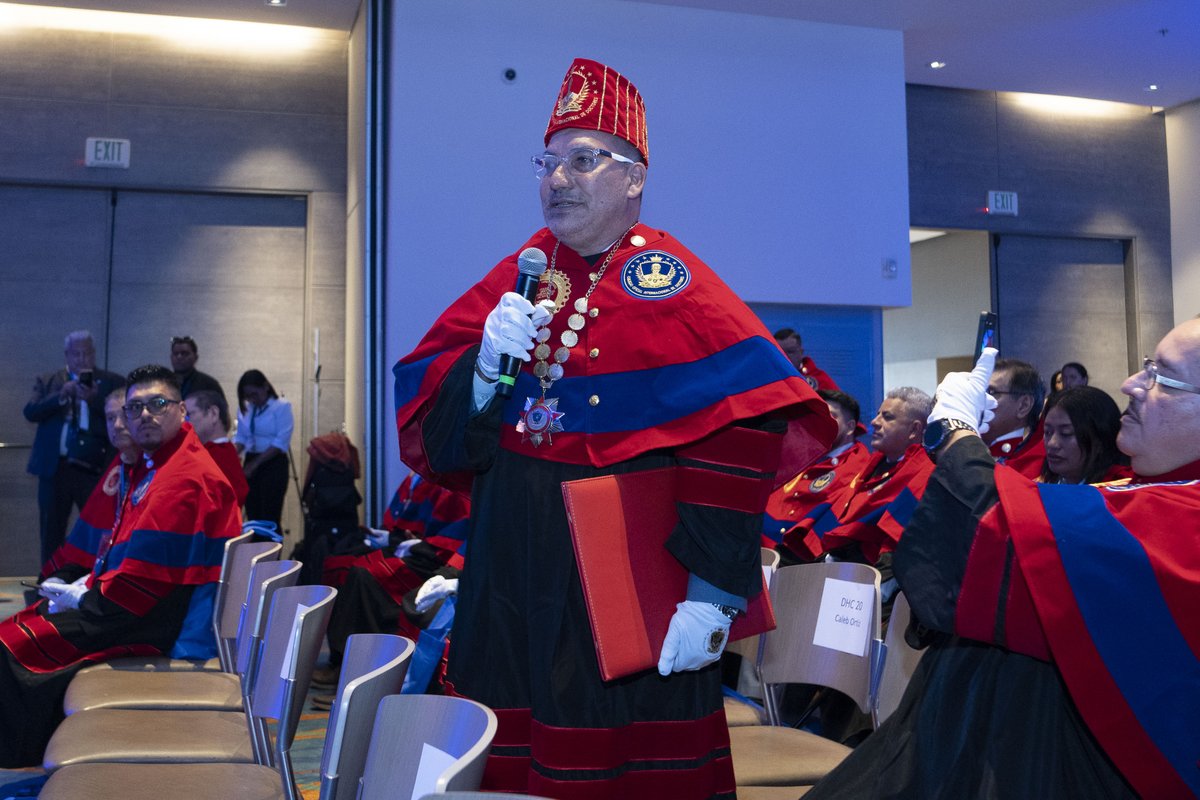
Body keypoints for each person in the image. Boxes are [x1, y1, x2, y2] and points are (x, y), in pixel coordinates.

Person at [391, 57, 834, 799]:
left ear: (634, 178)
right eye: (549, 161)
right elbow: (445, 438)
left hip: (619, 590)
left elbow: (743, 426)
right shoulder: (518, 271)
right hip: (509, 569)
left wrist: (713, 593)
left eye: (584, 160)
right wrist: (484, 365)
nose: (558, 179)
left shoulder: (670, 279)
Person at [805, 318, 1200, 799]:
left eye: (1162, 376)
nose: (1131, 385)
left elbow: (1016, 543)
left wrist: (954, 436)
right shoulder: (1153, 486)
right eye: (1145, 367)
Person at [0, 364, 242, 767]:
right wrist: (87, 589)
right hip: (141, 602)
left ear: (181, 411)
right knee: (26, 622)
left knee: (10, 644)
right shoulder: (161, 463)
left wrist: (87, 599)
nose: (143, 415)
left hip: (152, 619)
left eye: (157, 404)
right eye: (135, 408)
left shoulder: (183, 478)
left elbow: (140, 586)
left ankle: (25, 752)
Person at [783, 387, 934, 566]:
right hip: (830, 562)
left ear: (914, 429)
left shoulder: (924, 474)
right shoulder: (872, 466)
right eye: (878, 414)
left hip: (870, 573)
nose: (875, 422)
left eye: (887, 417)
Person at [23, 330, 125, 566]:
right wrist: (62, 395)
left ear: (94, 354)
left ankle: (93, 581)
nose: (81, 359)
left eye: (86, 353)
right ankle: (48, 584)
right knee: (51, 532)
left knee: (99, 527)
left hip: (95, 470)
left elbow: (123, 417)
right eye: (75, 354)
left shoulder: (112, 382)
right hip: (55, 469)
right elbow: (31, 412)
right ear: (66, 355)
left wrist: (95, 400)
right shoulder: (49, 380)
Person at [39, 388, 139, 579]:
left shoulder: (152, 466)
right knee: (48, 584)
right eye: (110, 418)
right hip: (100, 560)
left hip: (131, 570)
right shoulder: (119, 464)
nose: (117, 425)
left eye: (124, 416)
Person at [763, 389, 870, 550]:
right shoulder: (800, 456)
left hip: (805, 556)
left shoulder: (859, 467)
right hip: (764, 547)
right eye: (820, 415)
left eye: (832, 415)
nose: (824, 421)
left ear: (850, 427)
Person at [233, 369, 293, 530]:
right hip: (251, 459)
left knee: (270, 515)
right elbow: (242, 437)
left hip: (273, 463)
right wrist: (231, 456)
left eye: (255, 394)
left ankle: (271, 554)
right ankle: (254, 553)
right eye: (248, 396)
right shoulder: (247, 408)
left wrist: (255, 464)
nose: (252, 399)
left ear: (265, 387)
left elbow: (280, 442)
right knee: (253, 514)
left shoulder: (281, 407)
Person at [1039, 386, 1130, 485]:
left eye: (1066, 433)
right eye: (1047, 432)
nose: (1052, 444)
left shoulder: (1121, 490)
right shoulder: (1040, 484)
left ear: (1100, 439)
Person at [982, 356, 1045, 478]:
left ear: (1023, 405)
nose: (980, 400)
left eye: (991, 393)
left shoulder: (1042, 464)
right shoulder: (976, 445)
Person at [185, 388, 249, 505]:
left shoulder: (218, 457)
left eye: (189, 415)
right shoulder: (218, 453)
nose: (184, 422)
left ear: (213, 413)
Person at [774, 327, 841, 391]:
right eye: (780, 352)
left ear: (801, 352)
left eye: (790, 352)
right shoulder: (767, 378)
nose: (785, 356)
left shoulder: (820, 380)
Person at [169, 335, 225, 399]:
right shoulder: (163, 383)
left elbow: (221, 408)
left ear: (195, 357)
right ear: (171, 357)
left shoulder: (209, 385)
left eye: (184, 353)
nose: (179, 357)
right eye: (175, 353)